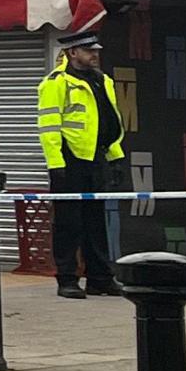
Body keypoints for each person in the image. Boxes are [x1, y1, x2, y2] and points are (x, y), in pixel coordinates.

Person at [38, 28, 127, 298]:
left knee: (95, 221)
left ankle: (100, 278)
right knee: (68, 222)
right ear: (73, 52)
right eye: (89, 51)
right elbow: (48, 127)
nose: (95, 55)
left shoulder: (102, 81)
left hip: (96, 158)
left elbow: (108, 122)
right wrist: (56, 164)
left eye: (96, 51)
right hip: (69, 159)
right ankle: (67, 279)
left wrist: (115, 158)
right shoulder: (56, 83)